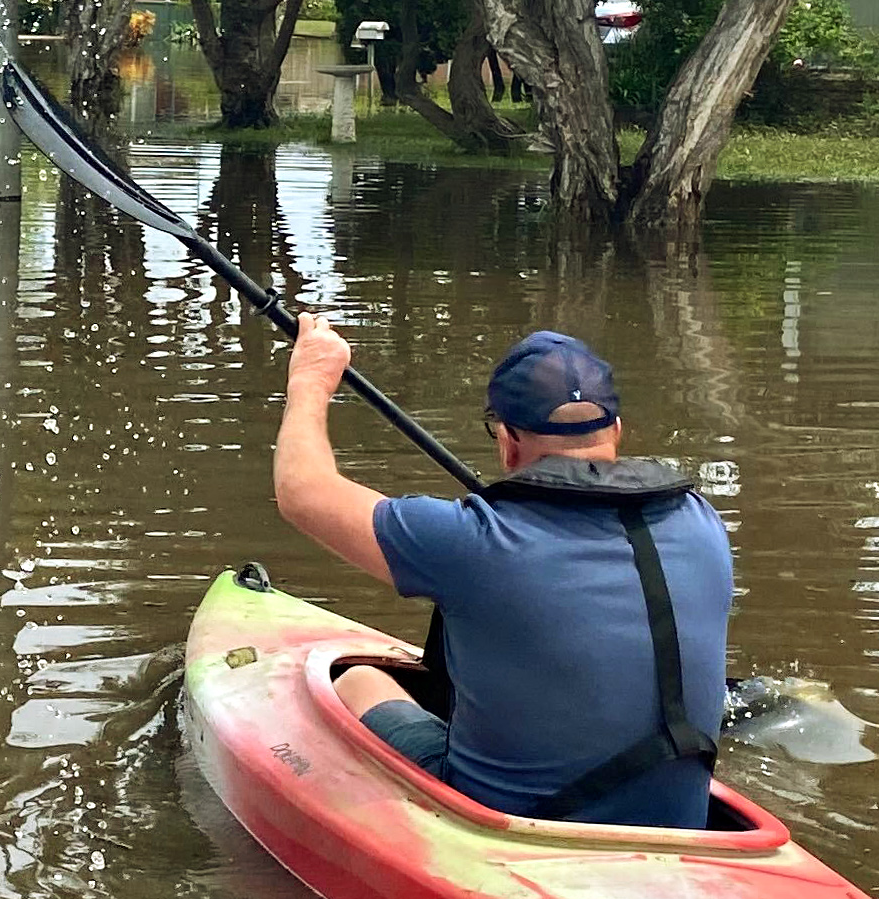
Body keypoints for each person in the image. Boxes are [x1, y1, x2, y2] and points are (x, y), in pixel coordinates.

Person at [272, 320, 733, 829]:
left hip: (518, 828)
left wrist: (311, 379)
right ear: (617, 433)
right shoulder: (701, 522)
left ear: (508, 443)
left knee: (358, 680)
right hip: (681, 825)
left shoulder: (470, 542)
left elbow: (303, 493)